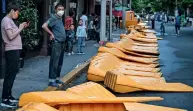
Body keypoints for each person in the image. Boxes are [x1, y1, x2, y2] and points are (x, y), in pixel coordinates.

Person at [1, 3, 29, 107]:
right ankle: (4, 99)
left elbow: (14, 33)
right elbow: (11, 36)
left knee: (12, 74)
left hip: (15, 49)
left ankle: (9, 96)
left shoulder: (10, 21)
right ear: (12, 11)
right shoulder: (6, 21)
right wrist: (20, 28)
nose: (17, 14)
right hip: (11, 50)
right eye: (17, 12)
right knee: (9, 75)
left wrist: (21, 27)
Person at [42, 3, 66, 87]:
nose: (61, 11)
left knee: (60, 62)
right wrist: (51, 34)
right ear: (56, 10)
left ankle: (57, 78)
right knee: (54, 62)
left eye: (62, 9)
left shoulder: (60, 18)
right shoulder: (54, 18)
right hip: (56, 43)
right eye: (59, 9)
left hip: (62, 43)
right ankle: (51, 80)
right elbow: (44, 26)